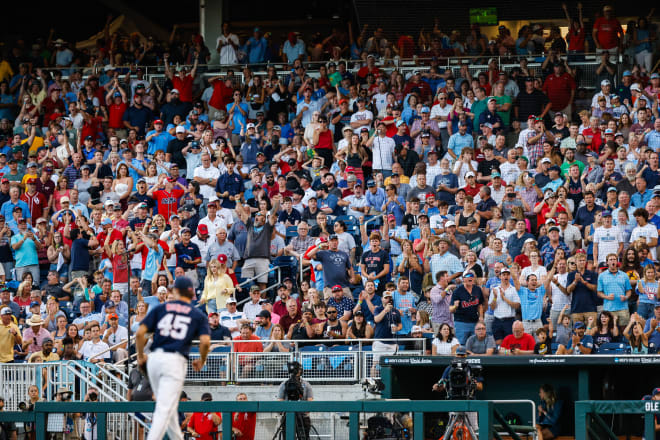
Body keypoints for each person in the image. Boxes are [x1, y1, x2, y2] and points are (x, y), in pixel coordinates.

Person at [136, 276, 211, 440]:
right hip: (174, 362)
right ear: (192, 294)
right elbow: (205, 342)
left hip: (154, 359)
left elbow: (140, 333)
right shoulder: (197, 314)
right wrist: (202, 360)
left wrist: (141, 355)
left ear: (175, 291)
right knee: (164, 407)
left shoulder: (161, 308)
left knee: (168, 408)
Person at [277, 361, 313, 438]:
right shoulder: (284, 384)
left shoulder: (306, 385)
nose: (297, 371)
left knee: (304, 437)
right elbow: (279, 402)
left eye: (299, 369)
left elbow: (310, 403)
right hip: (288, 416)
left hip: (303, 417)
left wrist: (301, 409)